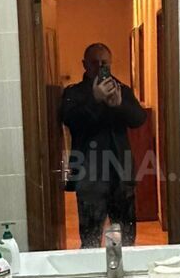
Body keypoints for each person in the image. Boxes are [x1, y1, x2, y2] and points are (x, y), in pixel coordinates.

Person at [59, 42, 148, 247]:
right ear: (84, 64)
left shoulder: (122, 90)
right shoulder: (74, 93)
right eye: (94, 63)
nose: (100, 67)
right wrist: (95, 99)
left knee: (125, 240)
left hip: (121, 176)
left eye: (104, 63)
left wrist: (120, 105)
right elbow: (69, 119)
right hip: (89, 177)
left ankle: (121, 267)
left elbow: (139, 119)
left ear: (110, 63)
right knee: (90, 240)